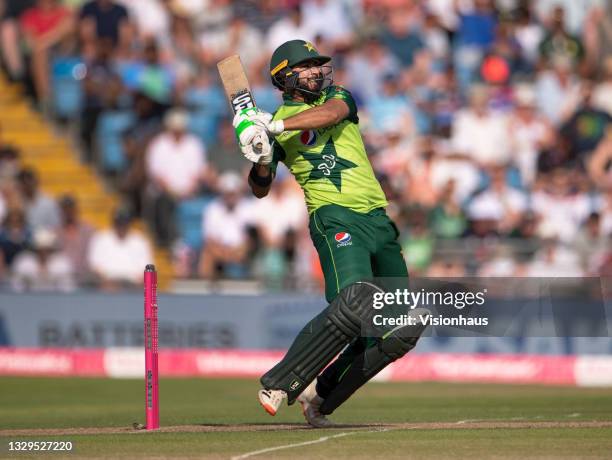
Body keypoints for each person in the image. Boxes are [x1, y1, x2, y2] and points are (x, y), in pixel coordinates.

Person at [232, 40, 428, 427]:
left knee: (399, 329)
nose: (319, 72)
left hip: (378, 220)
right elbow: (260, 187)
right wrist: (262, 156)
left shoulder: (335, 98)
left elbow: (331, 114)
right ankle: (280, 383)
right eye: (307, 67)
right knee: (356, 303)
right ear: (285, 77)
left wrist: (274, 125)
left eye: (319, 65)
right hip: (335, 217)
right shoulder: (272, 131)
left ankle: (319, 398)